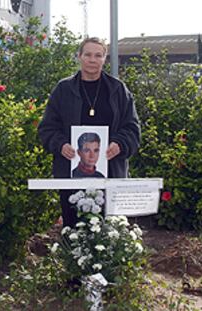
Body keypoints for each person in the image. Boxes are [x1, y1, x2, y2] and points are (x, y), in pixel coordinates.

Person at [38, 37, 140, 227]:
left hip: (111, 174)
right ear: (79, 57)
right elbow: (47, 128)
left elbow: (132, 128)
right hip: (71, 177)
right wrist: (61, 145)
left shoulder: (118, 90)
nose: (93, 60)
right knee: (74, 230)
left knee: (110, 232)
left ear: (104, 59)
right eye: (88, 55)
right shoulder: (63, 89)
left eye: (98, 55)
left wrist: (120, 144)